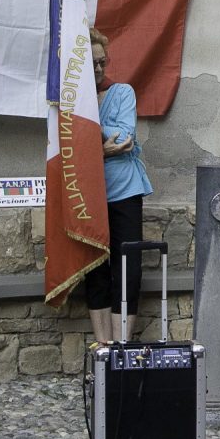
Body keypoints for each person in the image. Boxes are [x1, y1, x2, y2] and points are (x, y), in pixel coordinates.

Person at [84, 27, 153, 343]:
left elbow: (126, 140)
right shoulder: (71, 104)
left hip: (125, 190)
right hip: (88, 193)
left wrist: (90, 125)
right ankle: (103, 346)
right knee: (95, 270)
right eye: (92, 64)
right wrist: (102, 149)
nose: (99, 70)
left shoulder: (122, 92)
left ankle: (121, 346)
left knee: (129, 269)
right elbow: (69, 149)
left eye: (102, 62)